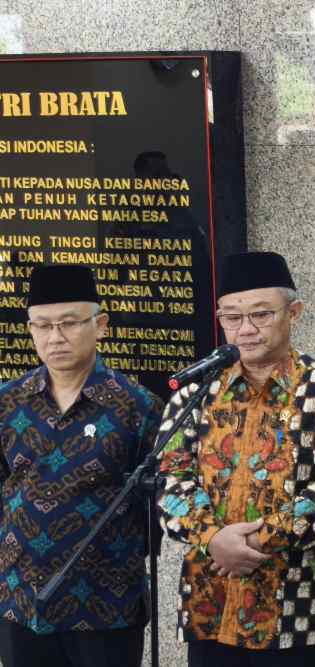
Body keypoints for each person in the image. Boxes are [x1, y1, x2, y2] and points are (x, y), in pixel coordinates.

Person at [157, 252, 315, 667]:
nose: (245, 330)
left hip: (298, 607)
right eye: (233, 318)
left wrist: (255, 541)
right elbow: (168, 476)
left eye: (261, 315)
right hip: (210, 604)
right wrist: (214, 538)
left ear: (294, 312)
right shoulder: (195, 392)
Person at [0, 265, 163, 667]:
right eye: (43, 325)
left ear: (100, 325)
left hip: (104, 607)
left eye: (69, 323)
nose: (55, 337)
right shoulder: (8, 402)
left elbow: (156, 506)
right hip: (21, 602)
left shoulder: (138, 407)